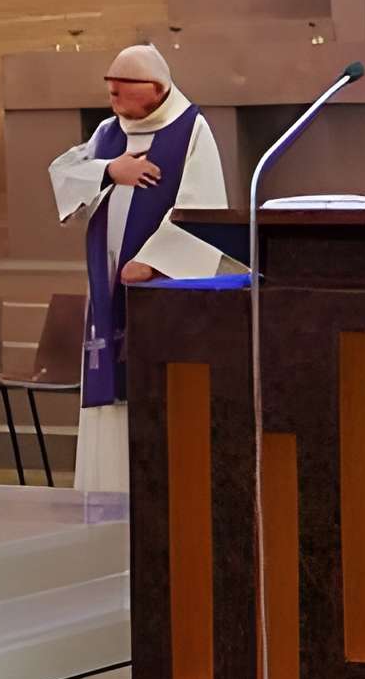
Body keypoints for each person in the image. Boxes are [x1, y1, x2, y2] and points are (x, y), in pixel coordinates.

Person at [50, 44, 233, 493]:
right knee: (108, 388)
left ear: (154, 89)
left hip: (158, 294)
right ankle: (103, 493)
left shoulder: (191, 130)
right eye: (109, 86)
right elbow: (64, 175)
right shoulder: (108, 133)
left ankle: (155, 496)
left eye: (120, 87)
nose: (111, 93)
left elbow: (202, 207)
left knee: (152, 392)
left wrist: (153, 261)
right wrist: (110, 170)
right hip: (107, 289)